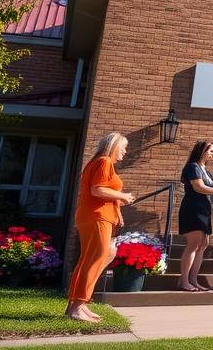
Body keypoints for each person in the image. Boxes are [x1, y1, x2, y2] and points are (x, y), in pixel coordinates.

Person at [65, 132, 134, 322]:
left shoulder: (101, 163)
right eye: (123, 148)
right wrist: (123, 196)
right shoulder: (104, 162)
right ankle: (78, 305)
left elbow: (103, 191)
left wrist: (118, 210)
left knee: (94, 257)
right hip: (96, 217)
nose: (125, 152)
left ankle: (78, 304)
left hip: (98, 216)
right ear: (114, 146)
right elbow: (98, 190)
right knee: (94, 258)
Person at [177, 140, 213, 291]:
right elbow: (198, 187)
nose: (212, 154)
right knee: (193, 244)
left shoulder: (204, 169)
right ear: (202, 151)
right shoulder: (193, 166)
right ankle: (184, 281)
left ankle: (193, 280)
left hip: (204, 208)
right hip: (193, 208)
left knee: (202, 245)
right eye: (210, 151)